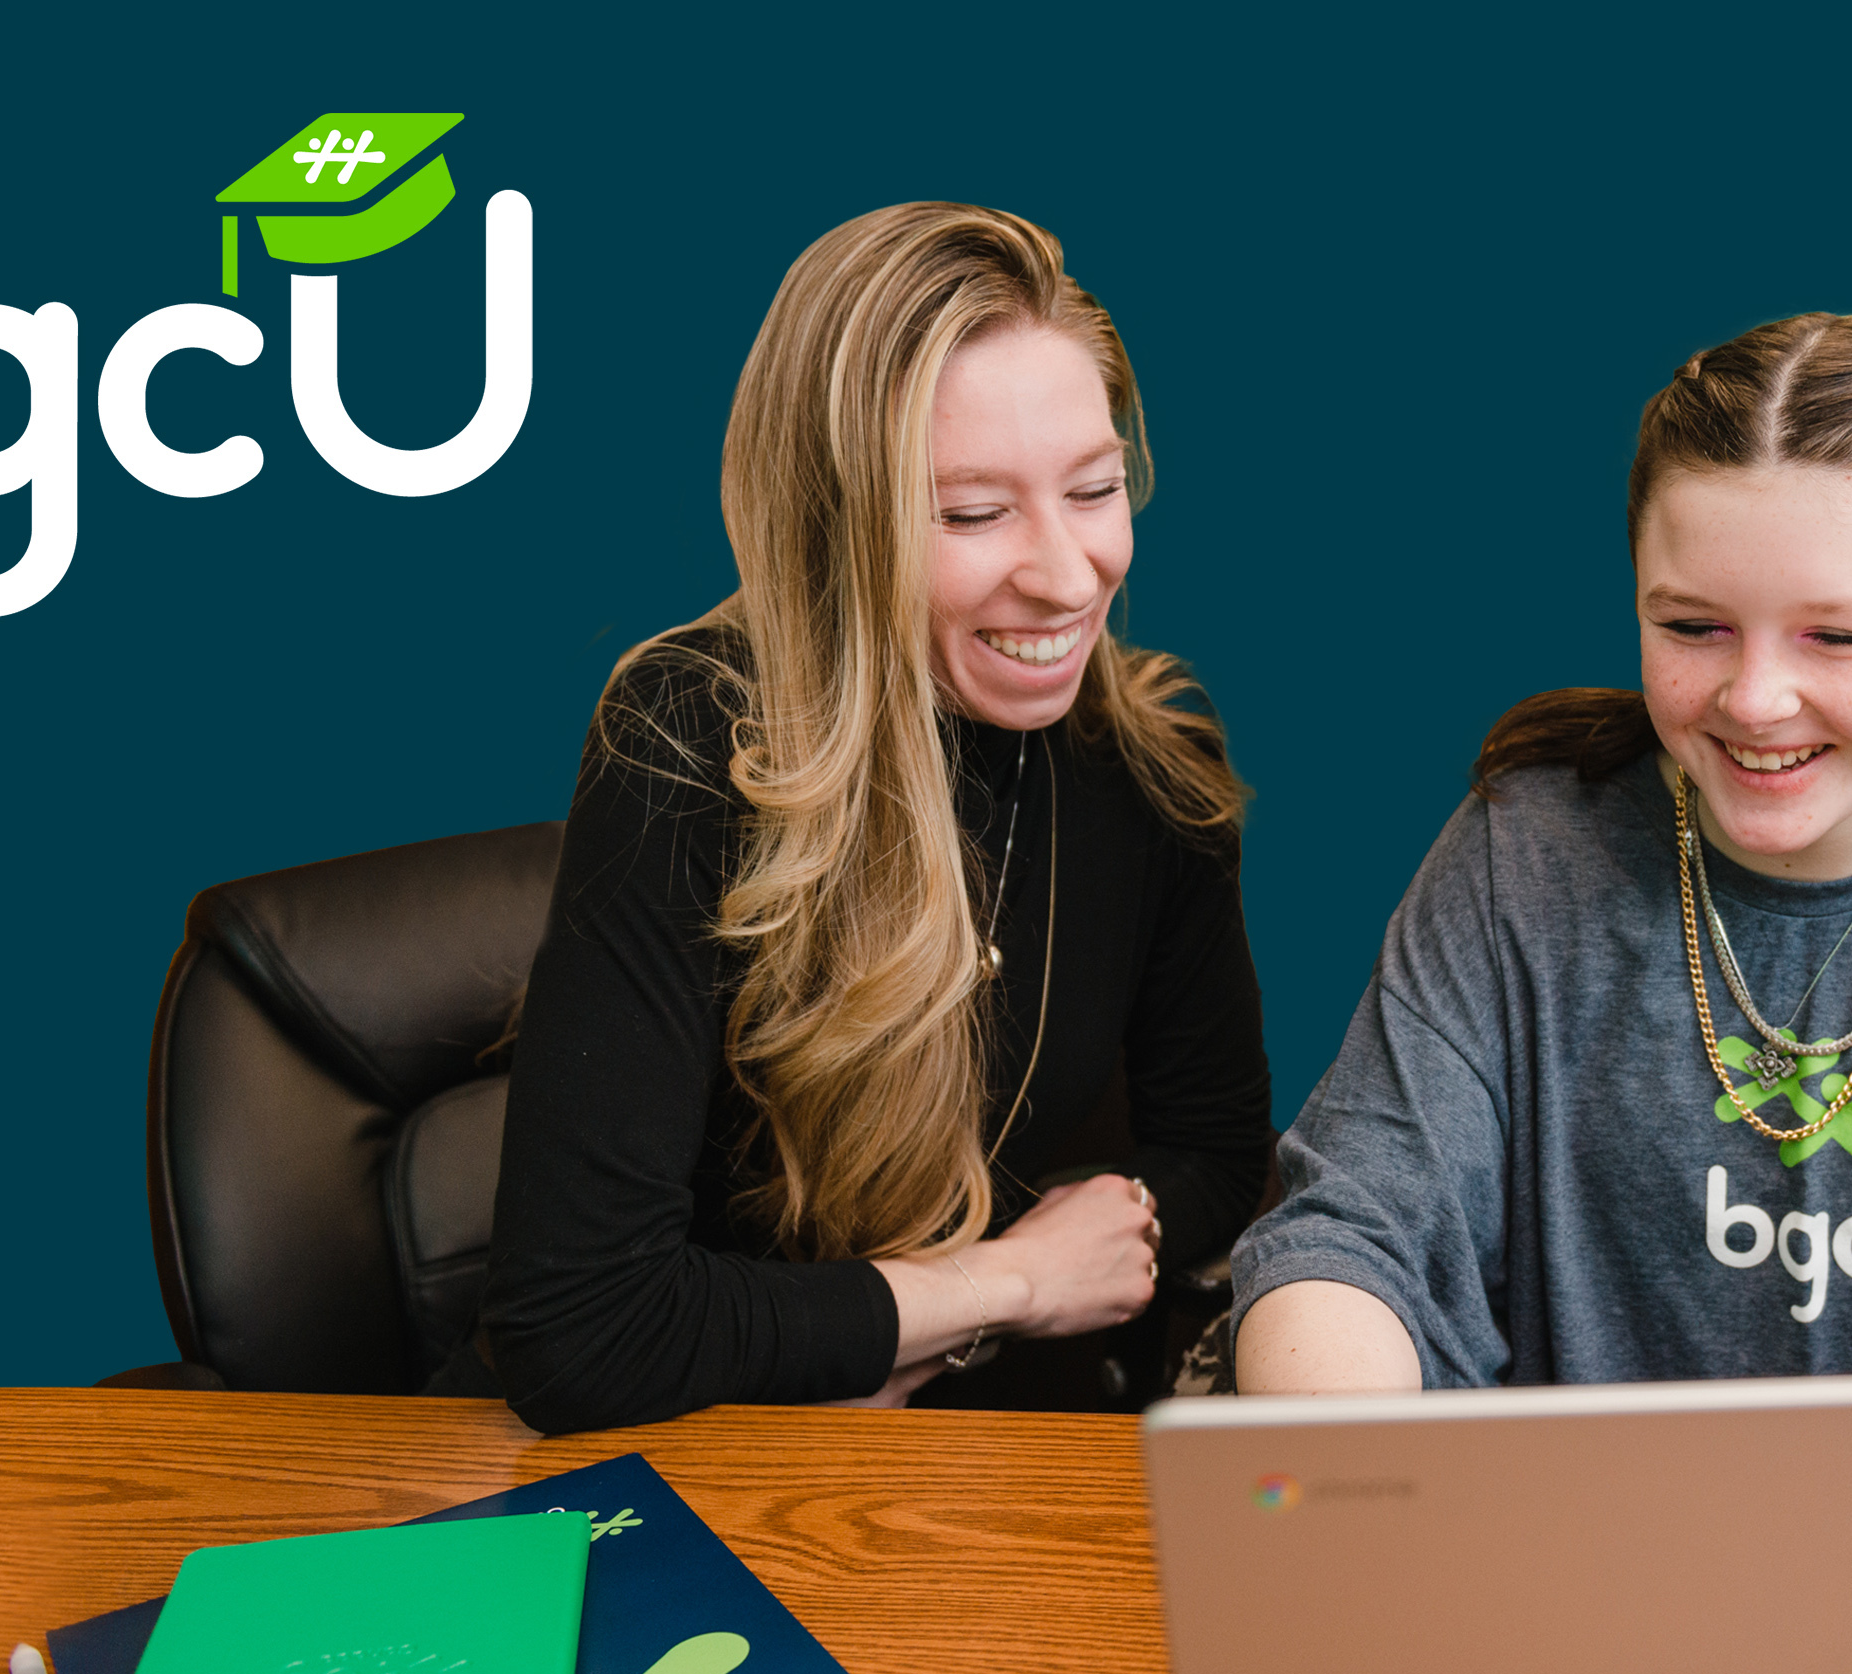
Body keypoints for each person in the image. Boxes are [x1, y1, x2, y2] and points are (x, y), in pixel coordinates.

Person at [477, 203, 1273, 1433]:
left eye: (1094, 489)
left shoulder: (1149, 753)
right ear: (831, 525)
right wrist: (1001, 1284)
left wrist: (962, 1322)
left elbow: (1216, 1154)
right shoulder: (686, 732)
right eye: (971, 513)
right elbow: (581, 1328)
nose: (1067, 575)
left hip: (968, 1452)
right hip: (690, 1461)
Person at [1233, 311, 1852, 1393]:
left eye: (1836, 637)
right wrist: (1341, 1452)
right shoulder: (1524, 854)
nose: (1753, 700)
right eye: (1690, 627)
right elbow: (1350, 1233)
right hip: (1578, 1555)